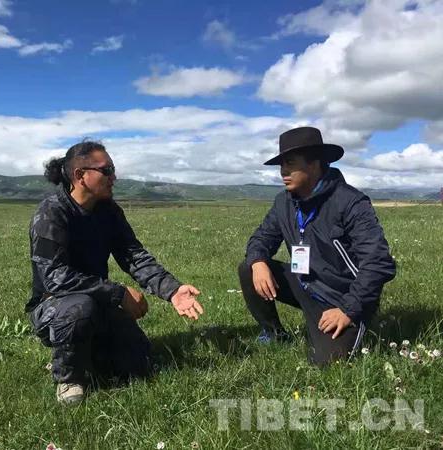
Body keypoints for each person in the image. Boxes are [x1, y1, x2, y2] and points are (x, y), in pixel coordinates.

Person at [27, 140, 204, 404]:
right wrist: (118, 293)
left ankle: (89, 352)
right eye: (106, 170)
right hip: (53, 306)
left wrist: (172, 290)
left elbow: (133, 255)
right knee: (79, 308)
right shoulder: (51, 213)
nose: (114, 177)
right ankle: (69, 378)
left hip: (97, 301)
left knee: (140, 363)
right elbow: (56, 278)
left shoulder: (108, 211)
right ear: (80, 176)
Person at [239, 126, 396, 366]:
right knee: (248, 268)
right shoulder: (284, 202)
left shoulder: (350, 202)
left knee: (327, 363)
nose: (283, 172)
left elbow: (379, 263)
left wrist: (348, 309)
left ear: (314, 164)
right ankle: (273, 333)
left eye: (290, 163)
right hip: (305, 284)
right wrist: (258, 262)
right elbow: (262, 237)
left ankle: (347, 323)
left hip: (342, 298)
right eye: (281, 165)